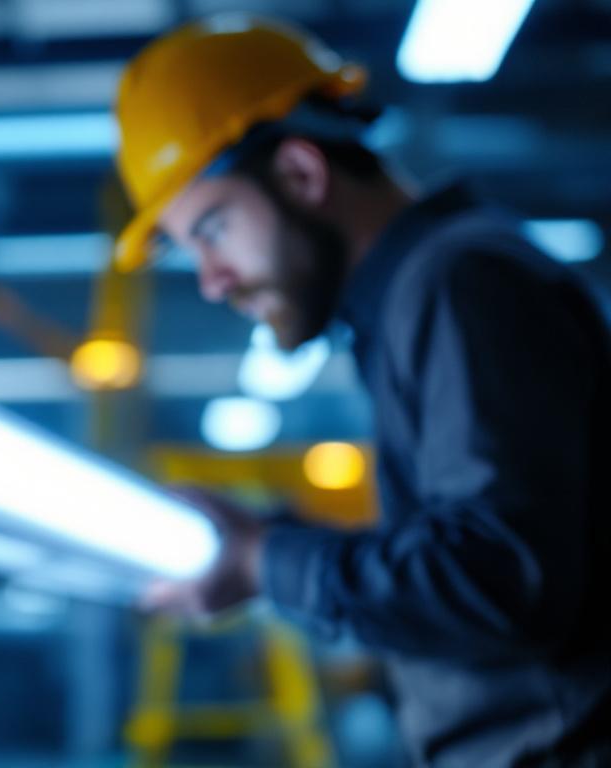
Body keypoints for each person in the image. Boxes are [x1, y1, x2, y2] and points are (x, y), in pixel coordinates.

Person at [116, 15, 611, 767]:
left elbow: (501, 579)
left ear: (302, 174)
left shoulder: (459, 284)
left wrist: (264, 560)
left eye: (212, 229)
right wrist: (271, 541)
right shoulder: (424, 299)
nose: (212, 281)